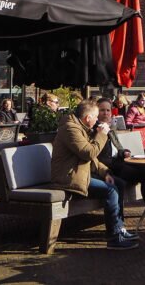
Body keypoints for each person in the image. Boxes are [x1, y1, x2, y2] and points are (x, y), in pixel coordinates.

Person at [50, 99, 138, 249]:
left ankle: (120, 228)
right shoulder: (70, 130)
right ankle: (114, 238)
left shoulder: (81, 128)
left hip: (80, 174)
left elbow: (92, 158)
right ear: (87, 118)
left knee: (119, 184)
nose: (98, 120)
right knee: (111, 191)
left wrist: (105, 173)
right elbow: (89, 153)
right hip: (68, 178)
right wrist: (102, 134)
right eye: (96, 117)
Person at [96, 98, 145, 231]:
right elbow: (97, 156)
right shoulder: (95, 130)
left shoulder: (110, 128)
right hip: (109, 168)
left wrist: (124, 152)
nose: (106, 113)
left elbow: (117, 148)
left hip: (119, 163)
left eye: (108, 110)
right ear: (96, 112)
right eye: (102, 110)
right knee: (142, 173)